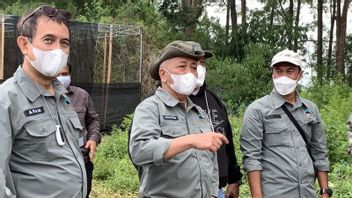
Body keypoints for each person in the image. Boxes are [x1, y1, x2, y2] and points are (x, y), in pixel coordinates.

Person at [0, 5, 87, 197]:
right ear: (24, 45)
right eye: (48, 40)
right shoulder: (6, 100)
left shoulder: (61, 96)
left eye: (64, 43)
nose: (58, 50)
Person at [129, 40, 229, 198]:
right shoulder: (150, 108)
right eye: (182, 67)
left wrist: (213, 193)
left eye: (193, 68)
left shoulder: (200, 113)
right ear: (164, 75)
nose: (190, 73)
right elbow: (139, 151)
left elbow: (211, 160)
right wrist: (190, 141)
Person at [240, 49, 331, 198]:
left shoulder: (311, 109)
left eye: (290, 71)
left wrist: (325, 191)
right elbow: (252, 159)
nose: (284, 77)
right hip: (275, 193)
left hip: (307, 192)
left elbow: (319, 152)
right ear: (272, 74)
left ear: (300, 75)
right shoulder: (257, 110)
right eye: (279, 71)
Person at [188, 42, 243, 198]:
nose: (199, 67)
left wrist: (234, 179)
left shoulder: (214, 100)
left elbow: (228, 142)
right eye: (194, 63)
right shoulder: (161, 103)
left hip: (216, 190)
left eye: (202, 63)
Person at [57, 63, 101, 198]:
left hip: (81, 161)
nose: (61, 78)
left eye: (65, 74)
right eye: (57, 74)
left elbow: (93, 121)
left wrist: (93, 139)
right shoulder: (41, 98)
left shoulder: (81, 95)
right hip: (56, 164)